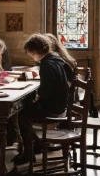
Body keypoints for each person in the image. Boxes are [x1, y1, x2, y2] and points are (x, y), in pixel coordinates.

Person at [13, 34, 70, 164]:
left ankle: (29, 153)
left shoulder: (47, 65)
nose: (32, 57)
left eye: (31, 54)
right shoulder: (56, 59)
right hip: (60, 105)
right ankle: (37, 145)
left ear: (34, 51)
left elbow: (46, 92)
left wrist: (36, 98)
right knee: (25, 109)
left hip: (53, 108)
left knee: (22, 115)